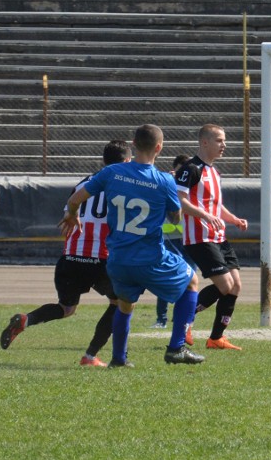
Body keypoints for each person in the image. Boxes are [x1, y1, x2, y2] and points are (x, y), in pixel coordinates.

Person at [58, 124, 205, 367]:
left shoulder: (111, 172)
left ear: (134, 144)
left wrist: (73, 214)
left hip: (117, 259)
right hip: (149, 257)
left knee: (124, 305)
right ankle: (176, 348)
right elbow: (175, 217)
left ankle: (118, 359)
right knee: (191, 282)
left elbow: (74, 199)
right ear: (159, 148)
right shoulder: (164, 180)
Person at [0, 140, 132, 367]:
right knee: (120, 303)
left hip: (71, 255)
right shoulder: (125, 185)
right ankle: (90, 356)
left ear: (103, 160)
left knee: (66, 308)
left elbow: (68, 215)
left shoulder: (83, 183)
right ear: (128, 161)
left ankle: (27, 319)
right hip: (102, 257)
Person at [175, 124, 248, 351]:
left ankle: (216, 338)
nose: (224, 145)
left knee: (235, 286)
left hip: (218, 236)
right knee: (225, 285)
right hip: (199, 238)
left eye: (224, 140)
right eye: (219, 140)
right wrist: (205, 215)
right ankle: (184, 320)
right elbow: (180, 201)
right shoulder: (190, 169)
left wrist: (233, 219)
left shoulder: (214, 172)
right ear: (204, 142)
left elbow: (215, 206)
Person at [153, 154, 195, 329]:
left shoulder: (193, 186)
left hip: (190, 239)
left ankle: (183, 320)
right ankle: (161, 319)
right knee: (168, 277)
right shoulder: (166, 183)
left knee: (189, 278)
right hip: (170, 238)